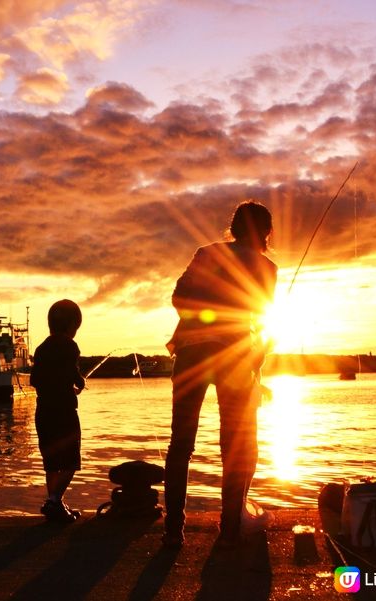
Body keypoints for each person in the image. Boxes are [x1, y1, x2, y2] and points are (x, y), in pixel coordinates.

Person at [163, 201, 277, 548]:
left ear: (234, 228)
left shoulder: (205, 253)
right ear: (267, 234)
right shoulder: (268, 268)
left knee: (181, 444)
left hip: (192, 353)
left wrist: (204, 317)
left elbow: (178, 297)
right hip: (235, 358)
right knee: (235, 445)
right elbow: (260, 316)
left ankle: (173, 529)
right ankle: (229, 528)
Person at [31, 299, 86, 523]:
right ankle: (54, 500)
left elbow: (34, 379)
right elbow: (73, 375)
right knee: (71, 461)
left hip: (43, 412)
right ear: (73, 323)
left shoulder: (41, 348)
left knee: (52, 461)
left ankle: (55, 502)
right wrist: (79, 383)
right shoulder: (70, 346)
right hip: (64, 411)